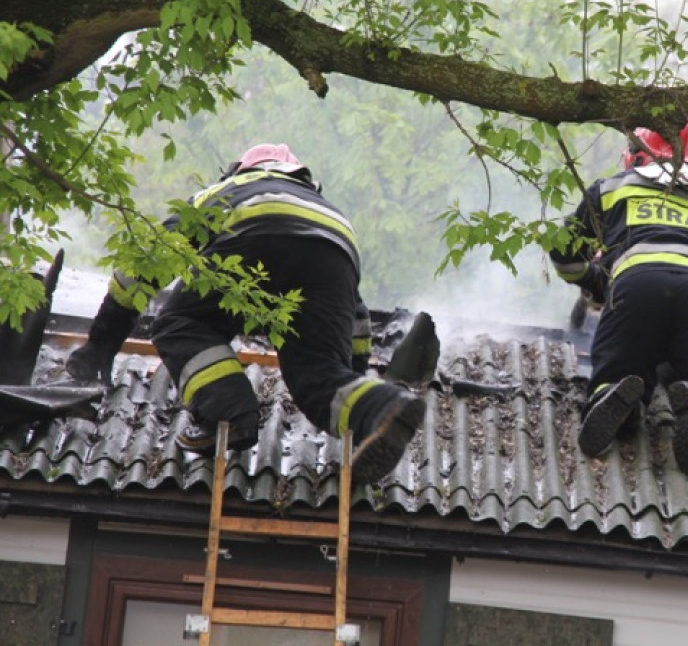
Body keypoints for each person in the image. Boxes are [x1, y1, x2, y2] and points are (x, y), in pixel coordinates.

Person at [66, 143, 424, 483]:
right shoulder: (327, 210)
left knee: (181, 324)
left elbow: (145, 266)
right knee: (316, 376)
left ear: (238, 170)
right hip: (335, 254)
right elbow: (355, 319)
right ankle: (382, 406)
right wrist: (352, 378)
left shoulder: (226, 191)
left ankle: (229, 412)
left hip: (252, 234)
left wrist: (101, 344)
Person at [549, 124, 688, 478]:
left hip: (635, 287)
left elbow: (562, 254)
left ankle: (619, 400)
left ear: (634, 156)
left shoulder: (610, 189)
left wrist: (596, 282)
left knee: (615, 372)